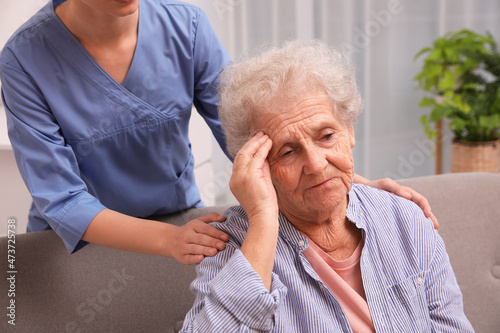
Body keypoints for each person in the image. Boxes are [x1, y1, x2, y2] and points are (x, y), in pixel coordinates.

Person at [0, 0, 435, 265]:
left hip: (179, 220)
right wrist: (168, 241)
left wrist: (351, 184)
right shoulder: (23, 60)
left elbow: (258, 139)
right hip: (80, 243)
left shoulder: (185, 26)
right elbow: (63, 201)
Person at [180, 40, 473, 332]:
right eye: (287, 151)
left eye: (326, 135)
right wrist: (263, 219)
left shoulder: (406, 220)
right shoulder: (230, 246)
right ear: (259, 166)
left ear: (349, 131)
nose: (317, 164)